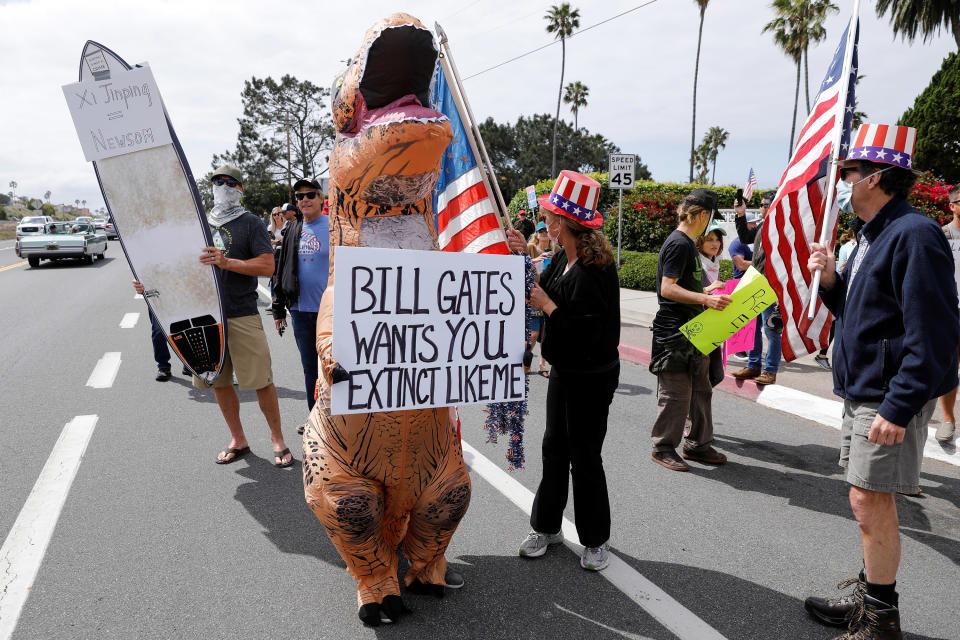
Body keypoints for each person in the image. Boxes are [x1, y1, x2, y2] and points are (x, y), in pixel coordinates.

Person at [803, 125, 959, 640]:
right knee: (864, 499)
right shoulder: (873, 234)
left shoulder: (915, 233)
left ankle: (880, 618)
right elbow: (864, 312)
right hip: (861, 388)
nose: (841, 183)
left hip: (886, 395)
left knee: (872, 501)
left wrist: (899, 405)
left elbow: (934, 332)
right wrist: (831, 282)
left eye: (847, 173)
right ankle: (868, 599)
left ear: (875, 177)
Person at [511, 171, 621, 571]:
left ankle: (595, 541)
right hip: (565, 370)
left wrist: (548, 307)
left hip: (593, 375)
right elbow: (541, 286)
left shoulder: (596, 268)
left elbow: (588, 332)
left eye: (552, 216)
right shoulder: (563, 256)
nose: (547, 222)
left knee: (585, 455)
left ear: (567, 223)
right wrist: (524, 255)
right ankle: (547, 526)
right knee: (554, 446)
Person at [199, 165, 293, 468]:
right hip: (207, 317)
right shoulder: (199, 223)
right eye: (217, 182)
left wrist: (228, 263)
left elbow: (267, 266)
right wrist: (149, 285)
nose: (222, 186)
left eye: (229, 182)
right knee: (220, 381)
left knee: (261, 380)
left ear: (241, 188)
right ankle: (237, 438)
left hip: (241, 313)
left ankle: (277, 439)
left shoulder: (250, 222)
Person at [649, 188, 730, 472]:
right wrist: (706, 298)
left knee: (701, 390)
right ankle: (663, 447)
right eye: (711, 218)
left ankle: (698, 444)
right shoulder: (679, 244)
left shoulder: (687, 243)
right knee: (676, 393)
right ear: (703, 215)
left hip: (696, 330)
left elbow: (683, 284)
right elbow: (667, 288)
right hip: (675, 333)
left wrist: (706, 289)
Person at [272, 178, 329, 434]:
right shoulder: (292, 229)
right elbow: (282, 267)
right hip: (300, 310)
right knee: (310, 368)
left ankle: (336, 422)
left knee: (332, 367)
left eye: (310, 195)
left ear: (321, 199)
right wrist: (278, 308)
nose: (304, 199)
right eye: (300, 196)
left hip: (330, 311)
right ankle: (315, 420)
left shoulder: (334, 227)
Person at [731, 191, 782, 385]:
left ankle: (770, 370)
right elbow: (745, 237)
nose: (760, 207)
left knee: (771, 328)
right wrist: (741, 214)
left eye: (762, 204)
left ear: (771, 205)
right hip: (756, 279)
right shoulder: (764, 224)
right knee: (752, 326)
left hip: (770, 283)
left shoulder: (781, 225)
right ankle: (753, 365)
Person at [815, 224, 859, 371]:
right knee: (837, 323)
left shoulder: (855, 245)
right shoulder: (849, 246)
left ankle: (824, 354)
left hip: (852, 290)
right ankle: (823, 354)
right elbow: (841, 267)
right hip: (847, 288)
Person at [936, 185, 960, 443]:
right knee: (947, 365)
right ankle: (947, 418)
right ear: (951, 206)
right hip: (948, 309)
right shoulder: (942, 235)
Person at [525, 221, 556, 377]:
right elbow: (522, 265)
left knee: (545, 334)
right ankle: (525, 359)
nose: (544, 233)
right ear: (536, 234)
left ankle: (542, 365)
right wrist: (537, 259)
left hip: (548, 295)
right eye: (541, 231)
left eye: (546, 230)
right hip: (533, 294)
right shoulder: (530, 248)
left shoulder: (555, 250)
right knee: (534, 333)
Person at [695, 223, 726, 293]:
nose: (715, 244)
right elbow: (686, 294)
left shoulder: (715, 264)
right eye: (710, 239)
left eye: (718, 239)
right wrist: (708, 289)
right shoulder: (695, 265)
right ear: (700, 241)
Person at [727, 213, 757, 278]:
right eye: (752, 223)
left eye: (755, 223)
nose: (755, 226)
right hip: (741, 283)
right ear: (745, 224)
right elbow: (741, 265)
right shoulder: (736, 243)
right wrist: (764, 262)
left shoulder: (757, 241)